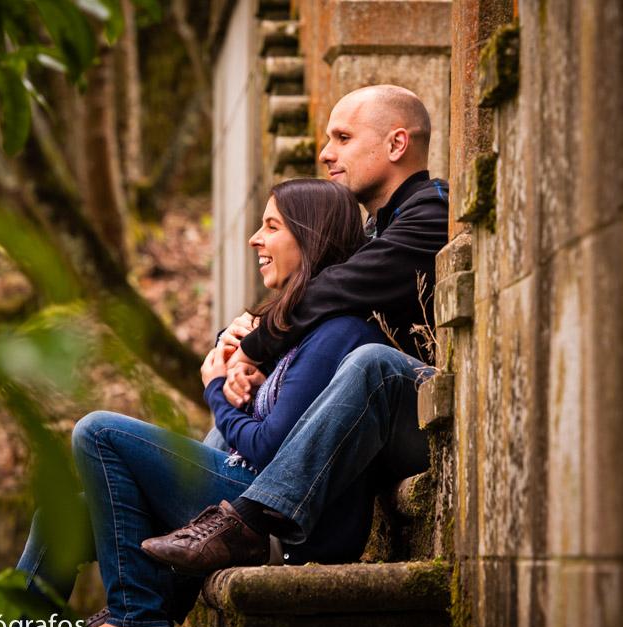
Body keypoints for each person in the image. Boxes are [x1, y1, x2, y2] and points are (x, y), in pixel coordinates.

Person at [10, 178, 392, 627]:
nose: (255, 238)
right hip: (235, 498)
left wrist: (217, 392)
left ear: (309, 238)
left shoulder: (337, 334)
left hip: (275, 523)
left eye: (271, 226)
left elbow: (270, 451)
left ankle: (137, 615)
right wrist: (240, 368)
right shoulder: (294, 335)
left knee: (98, 430)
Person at [141, 84, 449, 573]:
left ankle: (249, 521)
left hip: (425, 421)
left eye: (343, 138)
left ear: (396, 145)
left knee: (373, 362)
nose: (325, 154)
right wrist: (240, 344)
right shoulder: (376, 231)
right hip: (367, 432)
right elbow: (309, 298)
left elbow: (329, 291)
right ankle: (152, 581)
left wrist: (254, 350)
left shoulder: (432, 214)